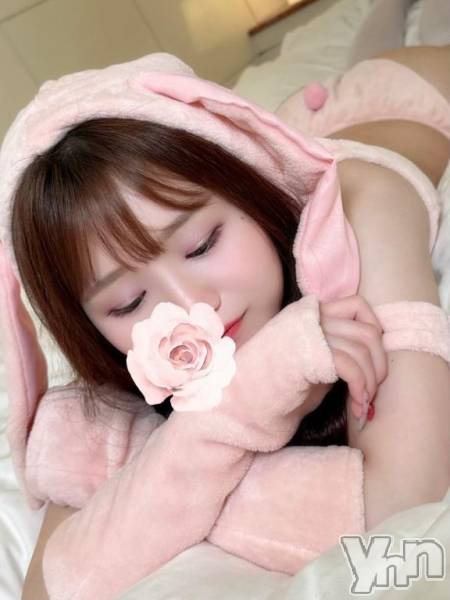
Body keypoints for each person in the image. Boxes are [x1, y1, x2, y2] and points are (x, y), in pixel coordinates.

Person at [0, 45, 448, 600]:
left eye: (202, 244)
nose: (194, 305)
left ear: (247, 190)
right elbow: (48, 590)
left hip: (411, 94)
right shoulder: (120, 371)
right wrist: (240, 405)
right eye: (128, 302)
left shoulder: (364, 208)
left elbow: (405, 507)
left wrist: (152, 487)